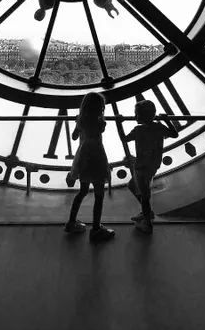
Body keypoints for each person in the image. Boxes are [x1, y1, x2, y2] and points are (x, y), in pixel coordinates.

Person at [64, 92, 115, 242]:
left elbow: (74, 136)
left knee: (82, 191)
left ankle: (71, 222)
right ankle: (96, 228)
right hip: (97, 160)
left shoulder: (80, 120)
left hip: (83, 159)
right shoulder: (100, 123)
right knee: (99, 196)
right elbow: (98, 134)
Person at [123, 99, 179, 233]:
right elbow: (174, 134)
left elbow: (124, 139)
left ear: (141, 116)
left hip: (141, 166)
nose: (134, 116)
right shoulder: (159, 127)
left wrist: (119, 123)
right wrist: (166, 120)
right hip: (153, 165)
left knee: (142, 193)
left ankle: (147, 221)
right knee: (141, 191)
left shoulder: (137, 130)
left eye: (136, 114)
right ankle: (146, 213)